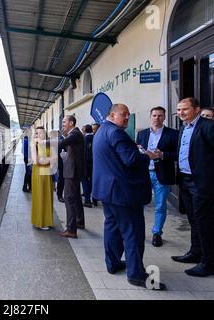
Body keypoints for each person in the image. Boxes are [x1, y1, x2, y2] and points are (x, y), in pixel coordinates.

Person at [92, 103, 165, 290]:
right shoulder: (116, 133)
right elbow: (131, 160)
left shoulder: (102, 130)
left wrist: (134, 150)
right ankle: (136, 275)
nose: (126, 118)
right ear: (112, 115)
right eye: (123, 115)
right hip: (123, 193)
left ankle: (113, 263)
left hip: (108, 191)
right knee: (133, 232)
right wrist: (147, 155)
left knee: (113, 228)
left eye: (128, 115)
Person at [171, 98, 214, 277]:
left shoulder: (210, 127)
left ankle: (209, 262)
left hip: (203, 183)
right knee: (193, 220)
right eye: (179, 110)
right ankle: (196, 253)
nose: (180, 113)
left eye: (185, 109)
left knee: (204, 223)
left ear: (197, 109)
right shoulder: (183, 128)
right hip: (186, 181)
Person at [136, 106, 179, 247]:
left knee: (160, 206)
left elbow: (178, 154)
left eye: (160, 116)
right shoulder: (142, 134)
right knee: (139, 204)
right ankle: (138, 232)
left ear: (164, 117)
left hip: (162, 174)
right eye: (154, 115)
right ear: (150, 117)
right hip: (144, 174)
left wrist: (163, 155)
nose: (157, 118)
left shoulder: (173, 134)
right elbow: (138, 152)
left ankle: (157, 233)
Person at [58, 115, 85, 238]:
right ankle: (79, 221)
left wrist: (44, 142)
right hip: (74, 170)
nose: (63, 124)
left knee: (69, 198)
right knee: (76, 198)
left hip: (72, 172)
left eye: (64, 122)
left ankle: (71, 229)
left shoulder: (74, 134)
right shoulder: (75, 134)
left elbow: (62, 142)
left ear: (71, 123)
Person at [199, 107, 214, 215]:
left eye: (208, 116)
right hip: (200, 170)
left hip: (213, 169)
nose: (205, 118)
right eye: (203, 115)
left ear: (213, 118)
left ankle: (213, 215)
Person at [30, 126, 54, 230]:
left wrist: (46, 160)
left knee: (47, 196)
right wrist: (48, 160)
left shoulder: (48, 144)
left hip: (47, 173)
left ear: (45, 134)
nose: (38, 135)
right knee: (40, 196)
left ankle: (46, 221)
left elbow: (54, 160)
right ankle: (39, 222)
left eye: (41, 133)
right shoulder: (34, 144)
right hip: (38, 173)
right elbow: (36, 161)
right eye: (37, 133)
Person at [82, 124, 94, 208]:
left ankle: (87, 201)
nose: (82, 130)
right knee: (91, 181)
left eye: (83, 129)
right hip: (94, 163)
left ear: (85, 130)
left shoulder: (84, 139)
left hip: (85, 164)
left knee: (85, 181)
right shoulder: (95, 138)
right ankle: (94, 198)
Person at [57, 130, 65, 203]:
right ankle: (59, 195)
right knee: (61, 180)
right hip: (61, 163)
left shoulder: (67, 139)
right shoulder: (60, 140)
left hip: (67, 164)